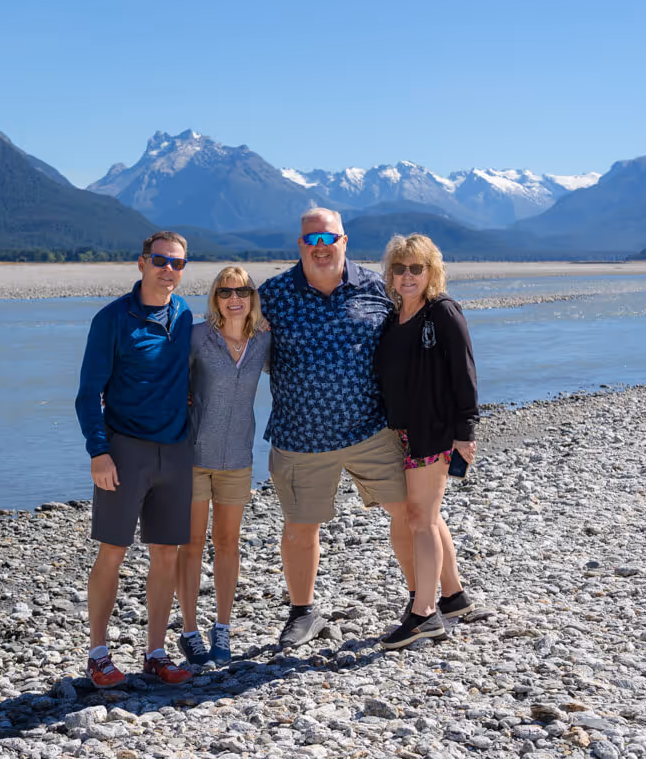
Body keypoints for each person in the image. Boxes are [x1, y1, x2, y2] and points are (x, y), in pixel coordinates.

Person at [258, 207, 413, 648]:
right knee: (299, 527)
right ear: (300, 245)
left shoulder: (377, 288)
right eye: (312, 240)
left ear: (344, 241)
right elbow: (235, 344)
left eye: (329, 239)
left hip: (373, 430)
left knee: (408, 513)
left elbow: (416, 340)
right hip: (299, 438)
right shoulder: (272, 295)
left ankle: (422, 603)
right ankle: (303, 612)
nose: (321, 248)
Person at [74, 231, 196, 687]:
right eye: (161, 261)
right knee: (113, 551)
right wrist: (99, 452)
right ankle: (99, 653)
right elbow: (88, 394)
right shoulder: (111, 319)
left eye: (178, 263)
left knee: (166, 553)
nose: (169, 270)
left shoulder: (184, 315)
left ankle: (156, 652)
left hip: (176, 451)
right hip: (124, 451)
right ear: (142, 263)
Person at [373, 233, 479, 650]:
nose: (407, 275)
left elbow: (465, 375)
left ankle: (423, 614)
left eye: (416, 267)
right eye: (399, 268)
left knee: (419, 519)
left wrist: (465, 433)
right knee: (422, 518)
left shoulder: (444, 312)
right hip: (398, 433)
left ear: (432, 271)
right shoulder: (392, 317)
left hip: (432, 433)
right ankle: (452, 597)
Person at [176, 266, 272, 667]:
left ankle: (223, 629)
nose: (235, 298)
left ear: (252, 297)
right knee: (192, 544)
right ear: (215, 298)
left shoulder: (263, 339)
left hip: (238, 459)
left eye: (243, 291)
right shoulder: (197, 336)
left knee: (228, 543)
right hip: (194, 458)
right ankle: (189, 630)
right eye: (225, 291)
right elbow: (167, 379)